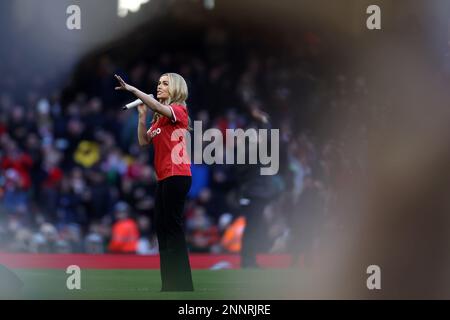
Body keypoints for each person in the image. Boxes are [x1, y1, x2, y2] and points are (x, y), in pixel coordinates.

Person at [115, 73, 194, 291]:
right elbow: (143, 141)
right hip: (164, 176)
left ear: (176, 88)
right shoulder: (158, 118)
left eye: (165, 84)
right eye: (158, 83)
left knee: (172, 229)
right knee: (162, 229)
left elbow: (158, 107)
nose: (159, 87)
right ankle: (170, 284)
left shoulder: (178, 110)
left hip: (177, 174)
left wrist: (134, 90)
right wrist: (142, 115)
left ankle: (182, 284)